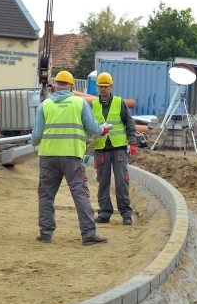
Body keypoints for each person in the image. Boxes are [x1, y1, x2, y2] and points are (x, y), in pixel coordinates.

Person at [32, 70, 109, 246]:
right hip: (72, 156)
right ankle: (88, 235)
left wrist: (34, 142)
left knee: (45, 195)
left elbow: (36, 136)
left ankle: (45, 232)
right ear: (72, 87)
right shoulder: (79, 103)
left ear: (54, 87)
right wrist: (103, 130)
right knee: (80, 194)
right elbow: (93, 127)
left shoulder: (44, 105)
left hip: (48, 156)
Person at [91, 72, 138, 225]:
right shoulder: (93, 105)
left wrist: (132, 142)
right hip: (102, 149)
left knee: (121, 181)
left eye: (106, 86)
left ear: (111, 86)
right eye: (100, 86)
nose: (103, 89)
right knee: (103, 181)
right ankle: (104, 213)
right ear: (97, 87)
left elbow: (129, 123)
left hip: (118, 148)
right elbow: (90, 126)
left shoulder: (119, 102)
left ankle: (126, 213)